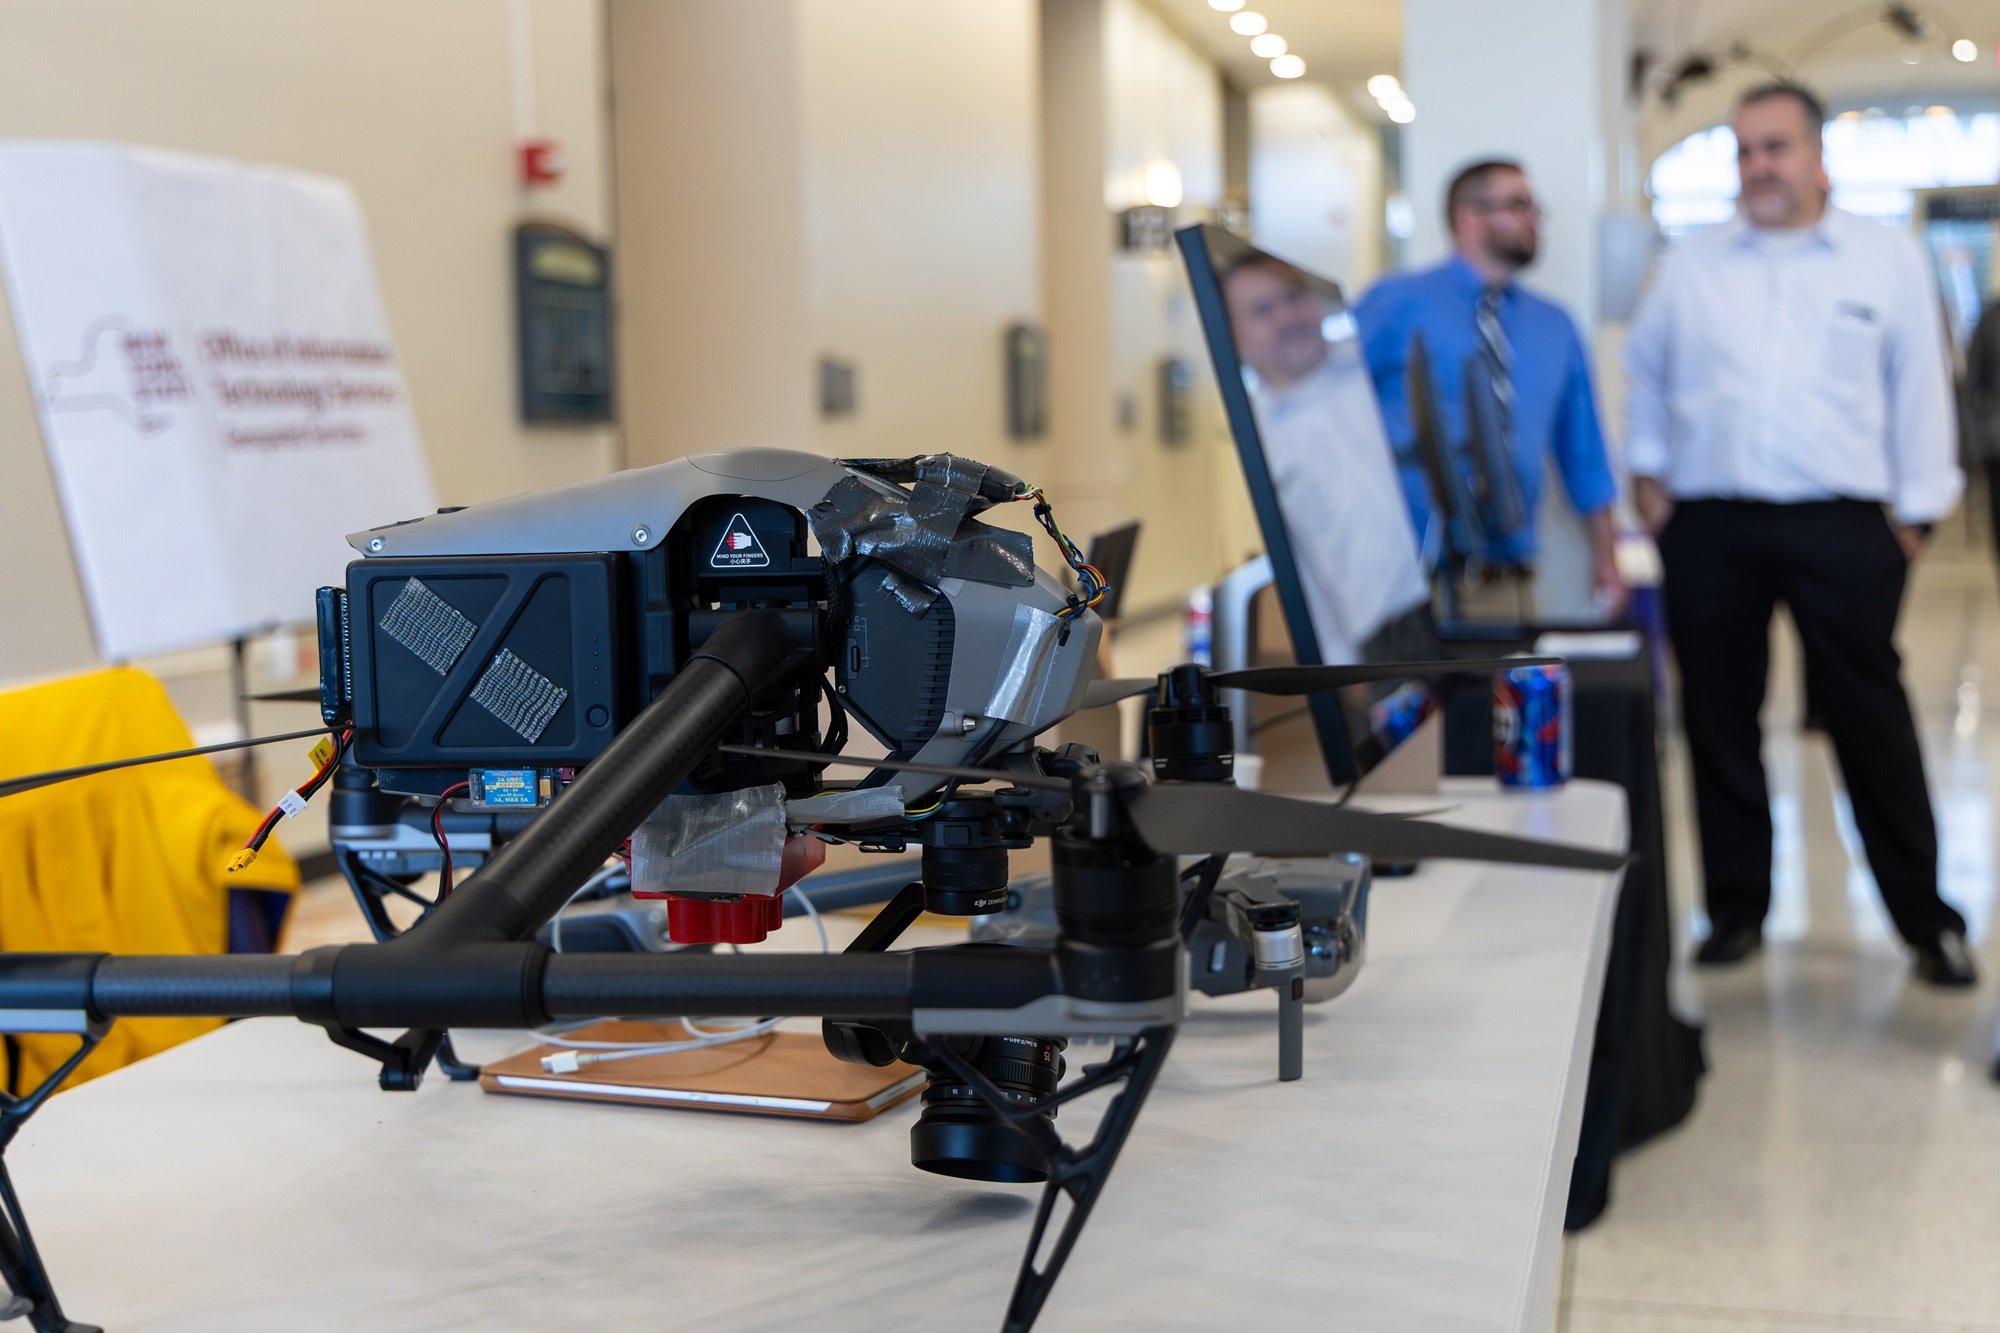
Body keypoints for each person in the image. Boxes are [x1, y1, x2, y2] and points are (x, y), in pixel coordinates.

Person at [1624, 82, 1973, 985]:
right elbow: (1646, 371)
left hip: (1843, 523)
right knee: (1719, 720)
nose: (1758, 167)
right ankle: (1738, 908)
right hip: (1710, 523)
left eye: (1775, 147)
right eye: (1744, 151)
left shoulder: (1883, 258)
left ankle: (1925, 918)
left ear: (1821, 157)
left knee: (1870, 718)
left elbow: (1920, 388)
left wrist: (1918, 514)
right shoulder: (1694, 263)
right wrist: (1652, 481)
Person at [1354, 159, 1623, 613]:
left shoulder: (1554, 325)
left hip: (1505, 579)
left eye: (1534, 207)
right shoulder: (1395, 302)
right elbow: (1326, 406)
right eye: (1518, 205)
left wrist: (1607, 558)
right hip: (1398, 572)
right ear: (1469, 217)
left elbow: (1585, 454)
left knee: (1504, 683)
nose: (1534, 219)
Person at [1220, 251, 1430, 663]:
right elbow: (1305, 566)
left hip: (1445, 594)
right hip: (1383, 640)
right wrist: (1338, 673)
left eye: (1293, 297)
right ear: (1235, 338)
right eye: (1263, 310)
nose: (1287, 316)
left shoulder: (1376, 370)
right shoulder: (1260, 439)